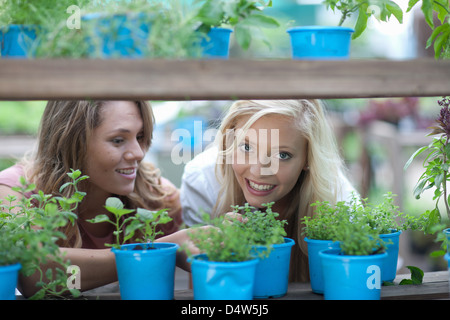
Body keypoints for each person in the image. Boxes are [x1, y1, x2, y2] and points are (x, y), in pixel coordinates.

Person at [0, 100, 196, 297]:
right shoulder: (14, 191)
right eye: (118, 140)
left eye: (140, 136)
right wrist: (158, 253)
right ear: (73, 141)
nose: (138, 153)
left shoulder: (158, 198)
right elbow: (34, 276)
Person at [181, 99, 356, 282]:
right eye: (247, 147)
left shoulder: (335, 196)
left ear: (308, 159)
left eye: (282, 155)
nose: (258, 171)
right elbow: (203, 289)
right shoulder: (203, 180)